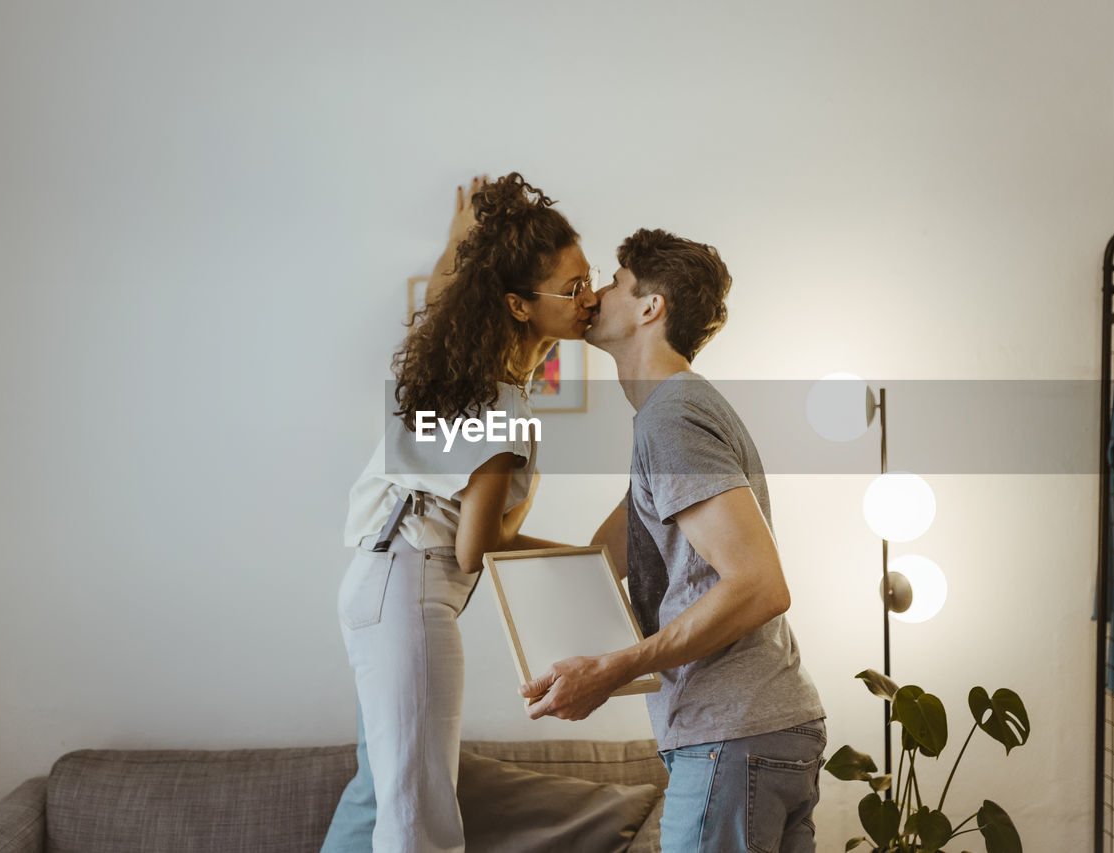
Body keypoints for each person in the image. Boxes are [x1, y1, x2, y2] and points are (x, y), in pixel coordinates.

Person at [520, 229, 827, 852]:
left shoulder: (672, 418)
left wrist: (610, 670)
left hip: (733, 733)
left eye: (614, 282)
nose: (597, 294)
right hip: (757, 731)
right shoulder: (666, 418)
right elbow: (598, 561)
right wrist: (461, 547)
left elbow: (761, 586)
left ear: (649, 308)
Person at [322, 173, 597, 853]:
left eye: (588, 280)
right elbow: (477, 548)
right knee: (419, 821)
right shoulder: (499, 405)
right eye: (571, 289)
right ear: (517, 305)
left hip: (379, 581)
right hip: (411, 591)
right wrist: (587, 562)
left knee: (377, 796)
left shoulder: (466, 373)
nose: (588, 298)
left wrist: (456, 243)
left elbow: (449, 290)